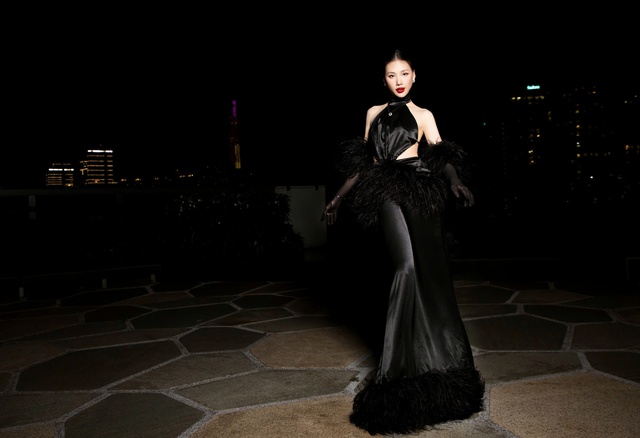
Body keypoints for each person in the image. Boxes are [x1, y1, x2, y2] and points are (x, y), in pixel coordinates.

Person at [322, 49, 485, 435]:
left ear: (414, 76)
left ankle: (436, 364)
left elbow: (441, 155)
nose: (399, 80)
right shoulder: (372, 113)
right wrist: (338, 197)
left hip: (421, 189)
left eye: (405, 73)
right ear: (384, 79)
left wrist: (455, 181)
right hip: (385, 189)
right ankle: (395, 373)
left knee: (430, 275)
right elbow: (364, 163)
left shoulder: (424, 114)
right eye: (392, 75)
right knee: (405, 268)